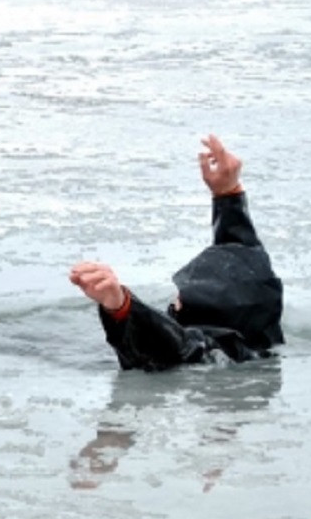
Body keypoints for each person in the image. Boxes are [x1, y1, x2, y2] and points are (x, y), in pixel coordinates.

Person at [70, 134, 283, 371]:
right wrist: (228, 195)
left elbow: (177, 345)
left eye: (180, 298)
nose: (175, 301)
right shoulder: (261, 328)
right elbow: (244, 257)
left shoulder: (208, 350)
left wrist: (121, 306)